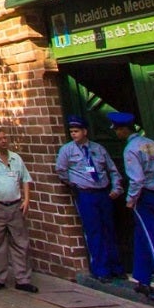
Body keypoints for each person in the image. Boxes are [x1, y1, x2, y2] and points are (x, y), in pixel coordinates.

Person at [109, 110, 154, 302]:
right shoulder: (153, 145)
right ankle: (142, 278)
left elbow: (137, 179)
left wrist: (131, 199)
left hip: (145, 198)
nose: (116, 133)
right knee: (141, 235)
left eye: (117, 130)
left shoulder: (131, 149)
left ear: (124, 130)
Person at [54, 115, 123, 282]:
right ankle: (101, 269)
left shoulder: (98, 149)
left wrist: (116, 188)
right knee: (94, 231)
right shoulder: (67, 150)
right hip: (86, 194)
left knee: (109, 229)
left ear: (85, 131)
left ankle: (116, 267)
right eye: (71, 131)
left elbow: (112, 170)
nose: (74, 134)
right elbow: (61, 170)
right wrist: (75, 183)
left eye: (77, 131)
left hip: (103, 192)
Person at [0, 128, 38, 293]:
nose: (4, 141)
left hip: (16, 205)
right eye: (0, 139)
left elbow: (25, 179)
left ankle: (22, 279)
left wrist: (26, 199)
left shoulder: (16, 158)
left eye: (5, 138)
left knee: (21, 242)